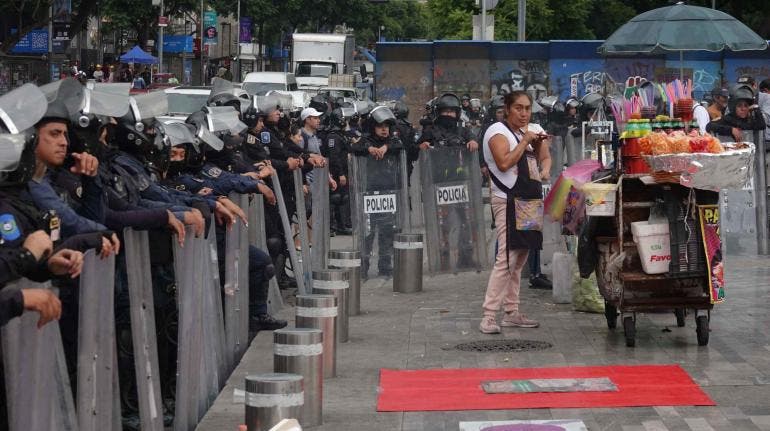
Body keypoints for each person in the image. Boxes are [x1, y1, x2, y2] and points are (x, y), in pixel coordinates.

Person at [480, 90, 550, 333]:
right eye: (518, 108)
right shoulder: (497, 132)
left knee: (520, 258)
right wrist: (525, 141)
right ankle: (489, 315)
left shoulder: (531, 130)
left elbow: (544, 158)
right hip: (507, 200)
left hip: (529, 200)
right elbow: (504, 163)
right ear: (507, 109)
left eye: (527, 108)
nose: (523, 113)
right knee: (506, 258)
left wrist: (540, 147)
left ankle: (511, 311)